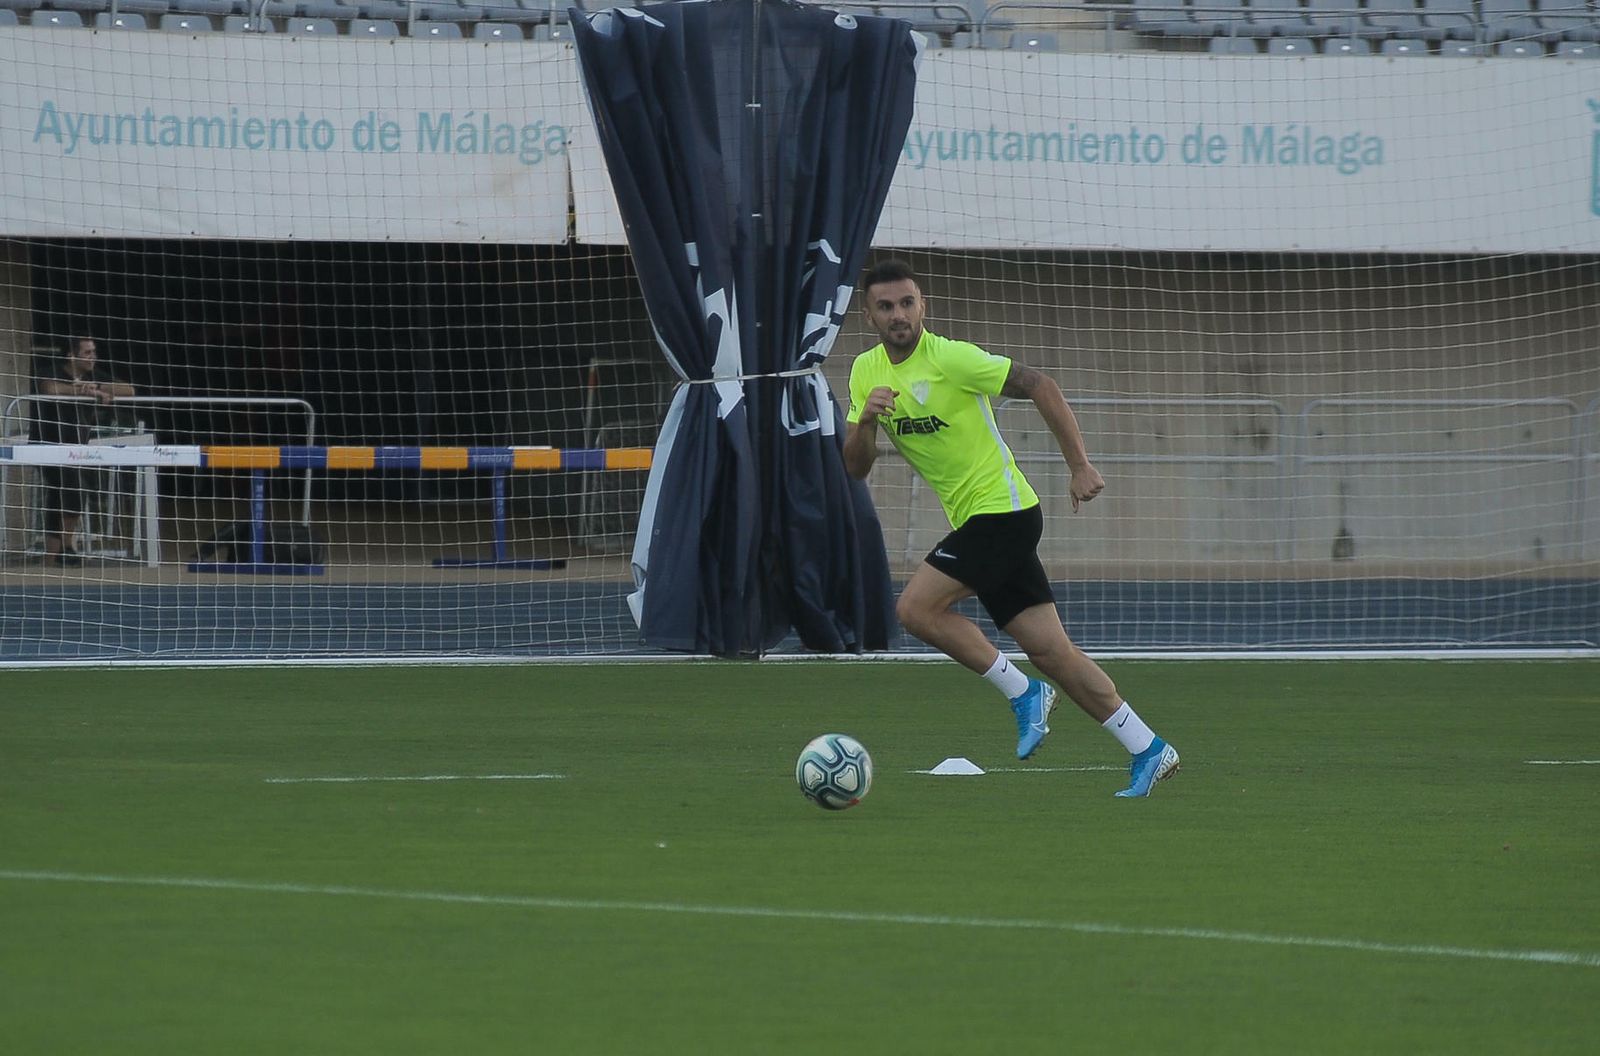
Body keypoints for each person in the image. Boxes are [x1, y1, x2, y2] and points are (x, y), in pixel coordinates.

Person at [843, 260, 1179, 798]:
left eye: (907, 303)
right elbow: (855, 467)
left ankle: (1023, 694)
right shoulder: (865, 373)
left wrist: (1079, 465)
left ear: (922, 306)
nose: (898, 314)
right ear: (868, 316)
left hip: (1005, 513)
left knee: (914, 609)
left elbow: (1040, 384)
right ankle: (1148, 748)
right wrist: (864, 422)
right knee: (1053, 653)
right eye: (886, 307)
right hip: (982, 522)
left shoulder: (951, 359)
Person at [33, 336, 135, 565]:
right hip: (46, 446)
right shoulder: (51, 370)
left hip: (77, 448)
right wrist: (81, 391)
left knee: (63, 493)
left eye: (94, 352)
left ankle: (56, 553)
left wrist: (96, 388)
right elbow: (50, 388)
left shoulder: (93, 377)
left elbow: (128, 389)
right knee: (72, 487)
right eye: (87, 352)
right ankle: (66, 546)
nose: (93, 357)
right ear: (71, 354)